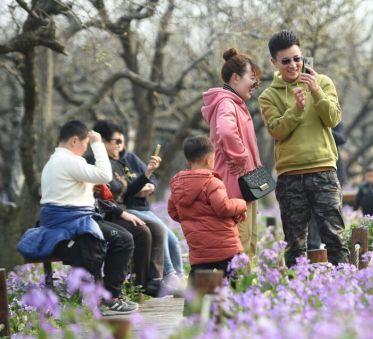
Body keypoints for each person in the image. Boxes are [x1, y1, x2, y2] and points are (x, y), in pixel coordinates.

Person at [17, 120, 137, 315]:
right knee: (123, 239)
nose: (86, 148)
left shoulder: (56, 161)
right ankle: (111, 297)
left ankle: (108, 294)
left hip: (71, 219)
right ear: (74, 141)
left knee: (122, 236)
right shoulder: (67, 160)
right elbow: (106, 175)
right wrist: (98, 143)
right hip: (70, 223)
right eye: (86, 143)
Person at [258, 30, 349, 266]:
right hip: (290, 177)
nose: (293, 65)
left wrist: (316, 92)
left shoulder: (323, 82)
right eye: (285, 61)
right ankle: (296, 296)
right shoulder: (268, 96)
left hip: (324, 171)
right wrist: (297, 109)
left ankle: (348, 293)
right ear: (274, 63)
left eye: (297, 58)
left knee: (335, 238)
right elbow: (276, 130)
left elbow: (333, 119)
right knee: (295, 244)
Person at [87, 120, 168, 296]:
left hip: (119, 210)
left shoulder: (115, 163)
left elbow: (126, 192)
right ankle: (139, 283)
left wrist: (147, 174)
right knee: (142, 231)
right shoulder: (93, 162)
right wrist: (121, 213)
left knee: (157, 228)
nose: (120, 145)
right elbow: (99, 198)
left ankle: (153, 280)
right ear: (103, 142)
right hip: (106, 214)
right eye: (116, 141)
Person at [201, 48, 262, 259]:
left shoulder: (236, 103)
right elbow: (225, 131)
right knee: (242, 242)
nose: (255, 85)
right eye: (251, 78)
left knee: (251, 239)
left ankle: (246, 289)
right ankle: (239, 289)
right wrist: (242, 157)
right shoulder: (227, 103)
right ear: (236, 78)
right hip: (235, 183)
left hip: (248, 182)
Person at [168, 136, 247, 280]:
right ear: (209, 159)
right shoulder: (212, 182)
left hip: (199, 250)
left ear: (188, 160)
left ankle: (193, 303)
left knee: (198, 286)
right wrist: (241, 204)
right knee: (235, 283)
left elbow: (173, 212)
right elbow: (223, 208)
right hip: (225, 247)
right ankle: (234, 302)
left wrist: (191, 219)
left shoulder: (177, 185)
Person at [308, 122, 347, 250]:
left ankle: (335, 248)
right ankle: (314, 246)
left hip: (333, 170)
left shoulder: (332, 118)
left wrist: (323, 131)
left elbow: (342, 138)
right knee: (313, 210)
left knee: (332, 210)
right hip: (311, 167)